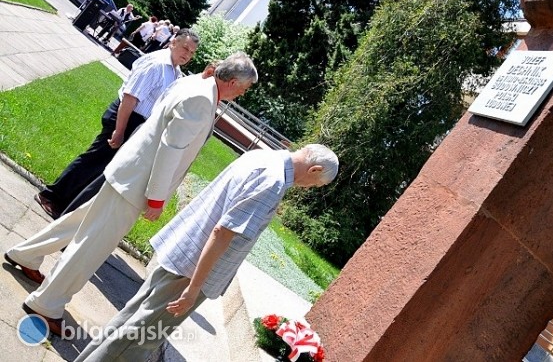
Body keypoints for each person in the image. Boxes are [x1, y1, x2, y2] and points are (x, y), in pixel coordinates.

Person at [4, 52, 257, 336]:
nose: (243, 94)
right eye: (245, 89)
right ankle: (46, 305)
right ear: (233, 81)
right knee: (90, 246)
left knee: (78, 223)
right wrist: (157, 199)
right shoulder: (202, 99)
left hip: (129, 173)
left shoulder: (196, 84)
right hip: (136, 183)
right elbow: (170, 151)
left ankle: (26, 255)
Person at [75, 144, 338, 361]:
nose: (308, 188)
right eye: (314, 184)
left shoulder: (261, 157)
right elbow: (223, 233)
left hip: (183, 253)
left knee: (131, 318)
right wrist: (192, 289)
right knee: (138, 339)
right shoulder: (274, 183)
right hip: (191, 271)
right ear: (314, 169)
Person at [34, 29, 200, 219]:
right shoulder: (157, 64)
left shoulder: (174, 71)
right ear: (173, 43)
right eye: (185, 48)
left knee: (101, 168)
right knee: (93, 161)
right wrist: (119, 131)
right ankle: (51, 196)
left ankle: (66, 206)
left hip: (136, 123)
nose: (187, 54)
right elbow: (130, 98)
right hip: (125, 117)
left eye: (191, 52)